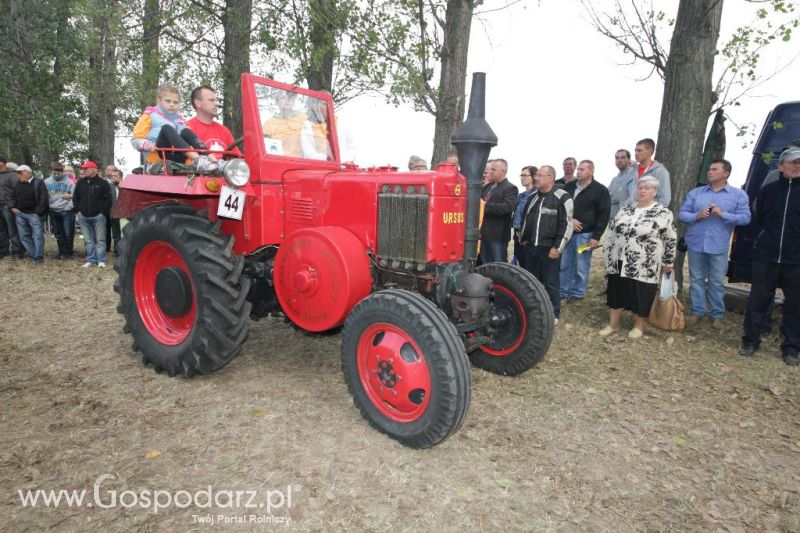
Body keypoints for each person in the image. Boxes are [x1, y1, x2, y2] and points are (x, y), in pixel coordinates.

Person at [740, 147, 800, 366]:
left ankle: (791, 347)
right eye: (792, 162)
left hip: (796, 260)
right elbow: (760, 216)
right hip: (767, 256)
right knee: (758, 300)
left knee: (795, 305)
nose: (796, 166)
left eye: (799, 163)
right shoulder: (769, 190)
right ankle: (750, 340)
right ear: (781, 166)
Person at [600, 176, 677, 339]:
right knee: (616, 290)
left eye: (647, 188)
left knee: (641, 293)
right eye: (640, 187)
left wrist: (668, 261)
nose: (642, 190)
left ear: (655, 191)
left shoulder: (663, 213)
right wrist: (607, 253)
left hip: (645, 262)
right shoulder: (625, 209)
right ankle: (613, 324)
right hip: (619, 258)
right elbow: (612, 232)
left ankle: (639, 326)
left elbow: (670, 239)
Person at [678, 159, 751, 328]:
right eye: (709, 169)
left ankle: (717, 315)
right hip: (696, 243)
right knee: (696, 280)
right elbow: (682, 214)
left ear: (726, 173)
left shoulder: (738, 195)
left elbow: (746, 218)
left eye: (714, 169)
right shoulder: (696, 193)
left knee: (716, 282)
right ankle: (697, 311)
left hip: (718, 246)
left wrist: (723, 214)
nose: (709, 172)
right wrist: (696, 216)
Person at [519, 165, 573, 323]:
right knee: (531, 282)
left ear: (551, 178)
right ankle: (532, 311)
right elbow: (525, 219)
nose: (536, 178)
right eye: (536, 175)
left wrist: (557, 248)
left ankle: (554, 313)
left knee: (551, 282)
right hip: (531, 248)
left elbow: (567, 225)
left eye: (541, 175)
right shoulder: (532, 197)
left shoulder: (562, 197)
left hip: (549, 249)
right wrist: (523, 238)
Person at [131, 84, 216, 171]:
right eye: (168, 101)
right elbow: (135, 140)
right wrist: (148, 145)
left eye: (175, 102)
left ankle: (212, 160)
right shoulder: (150, 115)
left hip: (178, 157)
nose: (172, 105)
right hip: (158, 156)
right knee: (167, 128)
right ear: (158, 101)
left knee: (186, 131)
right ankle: (198, 160)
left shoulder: (180, 120)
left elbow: (189, 138)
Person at [560, 160, 611, 301]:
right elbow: (560, 207)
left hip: (586, 235)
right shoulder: (568, 187)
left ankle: (578, 293)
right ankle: (563, 291)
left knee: (581, 265)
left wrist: (596, 237)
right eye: (578, 169)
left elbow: (604, 215)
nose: (578, 172)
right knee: (565, 263)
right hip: (568, 233)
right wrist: (570, 220)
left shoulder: (600, 190)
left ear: (591, 172)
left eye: (582, 169)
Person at [73, 161, 112, 268]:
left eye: (86, 169)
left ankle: (101, 260)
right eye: (83, 169)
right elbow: (75, 198)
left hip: (98, 216)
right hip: (83, 216)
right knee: (88, 240)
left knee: (100, 239)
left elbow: (108, 200)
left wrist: (102, 213)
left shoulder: (103, 183)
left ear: (94, 170)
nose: (84, 171)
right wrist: (78, 211)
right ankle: (90, 260)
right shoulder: (80, 183)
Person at [479, 158, 518, 264]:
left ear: (503, 171)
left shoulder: (510, 188)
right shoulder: (486, 187)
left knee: (499, 264)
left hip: (498, 235)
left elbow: (507, 207)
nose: (491, 172)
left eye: (494, 169)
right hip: (483, 234)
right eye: (490, 169)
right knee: (485, 264)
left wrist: (484, 206)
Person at [8, 165, 48, 263]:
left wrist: (37, 213)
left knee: (37, 236)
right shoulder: (17, 184)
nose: (18, 175)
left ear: (28, 173)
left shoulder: (39, 183)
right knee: (24, 236)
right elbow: (12, 197)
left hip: (34, 215)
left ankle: (38, 258)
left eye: (20, 173)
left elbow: (43, 199)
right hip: (20, 214)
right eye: (17, 173)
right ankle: (33, 255)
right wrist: (12, 207)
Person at [186, 85, 238, 156]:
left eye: (216, 100)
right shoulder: (186, 129)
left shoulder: (224, 130)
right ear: (198, 103)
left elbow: (238, 158)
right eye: (211, 100)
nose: (216, 104)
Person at [45, 161, 76, 260]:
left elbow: (75, 196)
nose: (56, 175)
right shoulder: (47, 182)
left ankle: (68, 253)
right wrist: (49, 206)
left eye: (59, 173)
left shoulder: (69, 182)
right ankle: (62, 252)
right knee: (58, 233)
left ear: (62, 172)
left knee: (68, 233)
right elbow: (45, 196)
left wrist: (68, 207)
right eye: (54, 173)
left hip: (66, 211)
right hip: (53, 210)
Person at [627, 138, 671, 206]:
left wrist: (647, 211)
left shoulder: (660, 171)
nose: (636, 154)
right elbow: (626, 195)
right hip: (630, 213)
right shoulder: (632, 171)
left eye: (639, 150)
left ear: (650, 151)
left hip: (649, 214)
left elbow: (664, 199)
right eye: (635, 151)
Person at [263, 90, 307, 158]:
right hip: (280, 163)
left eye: (290, 97)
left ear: (294, 100)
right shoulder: (269, 124)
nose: (287, 100)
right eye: (283, 97)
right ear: (277, 102)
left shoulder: (304, 119)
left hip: (302, 163)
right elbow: (265, 149)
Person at [511, 165, 537, 267]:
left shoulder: (536, 195)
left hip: (528, 236)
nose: (522, 178)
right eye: (521, 175)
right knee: (520, 262)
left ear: (533, 177)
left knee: (529, 264)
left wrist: (527, 237)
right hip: (518, 234)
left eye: (525, 175)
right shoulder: (521, 195)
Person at [0, 155, 23, 260]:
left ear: (2, 163)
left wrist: (12, 205)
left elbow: (17, 192)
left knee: (12, 231)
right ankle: (3, 251)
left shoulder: (12, 176)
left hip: (8, 207)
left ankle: (17, 252)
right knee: (1, 231)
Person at [608, 149, 634, 220]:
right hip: (611, 221)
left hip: (626, 220)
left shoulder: (633, 175)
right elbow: (606, 197)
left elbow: (633, 198)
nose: (619, 160)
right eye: (617, 158)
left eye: (623, 157)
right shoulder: (614, 180)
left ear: (629, 160)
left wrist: (619, 205)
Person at [104, 165, 122, 254]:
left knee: (116, 232)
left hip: (116, 211)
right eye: (106, 170)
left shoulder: (121, 185)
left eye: (110, 170)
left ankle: (117, 250)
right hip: (106, 211)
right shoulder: (104, 182)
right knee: (105, 230)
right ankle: (106, 248)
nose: (107, 172)